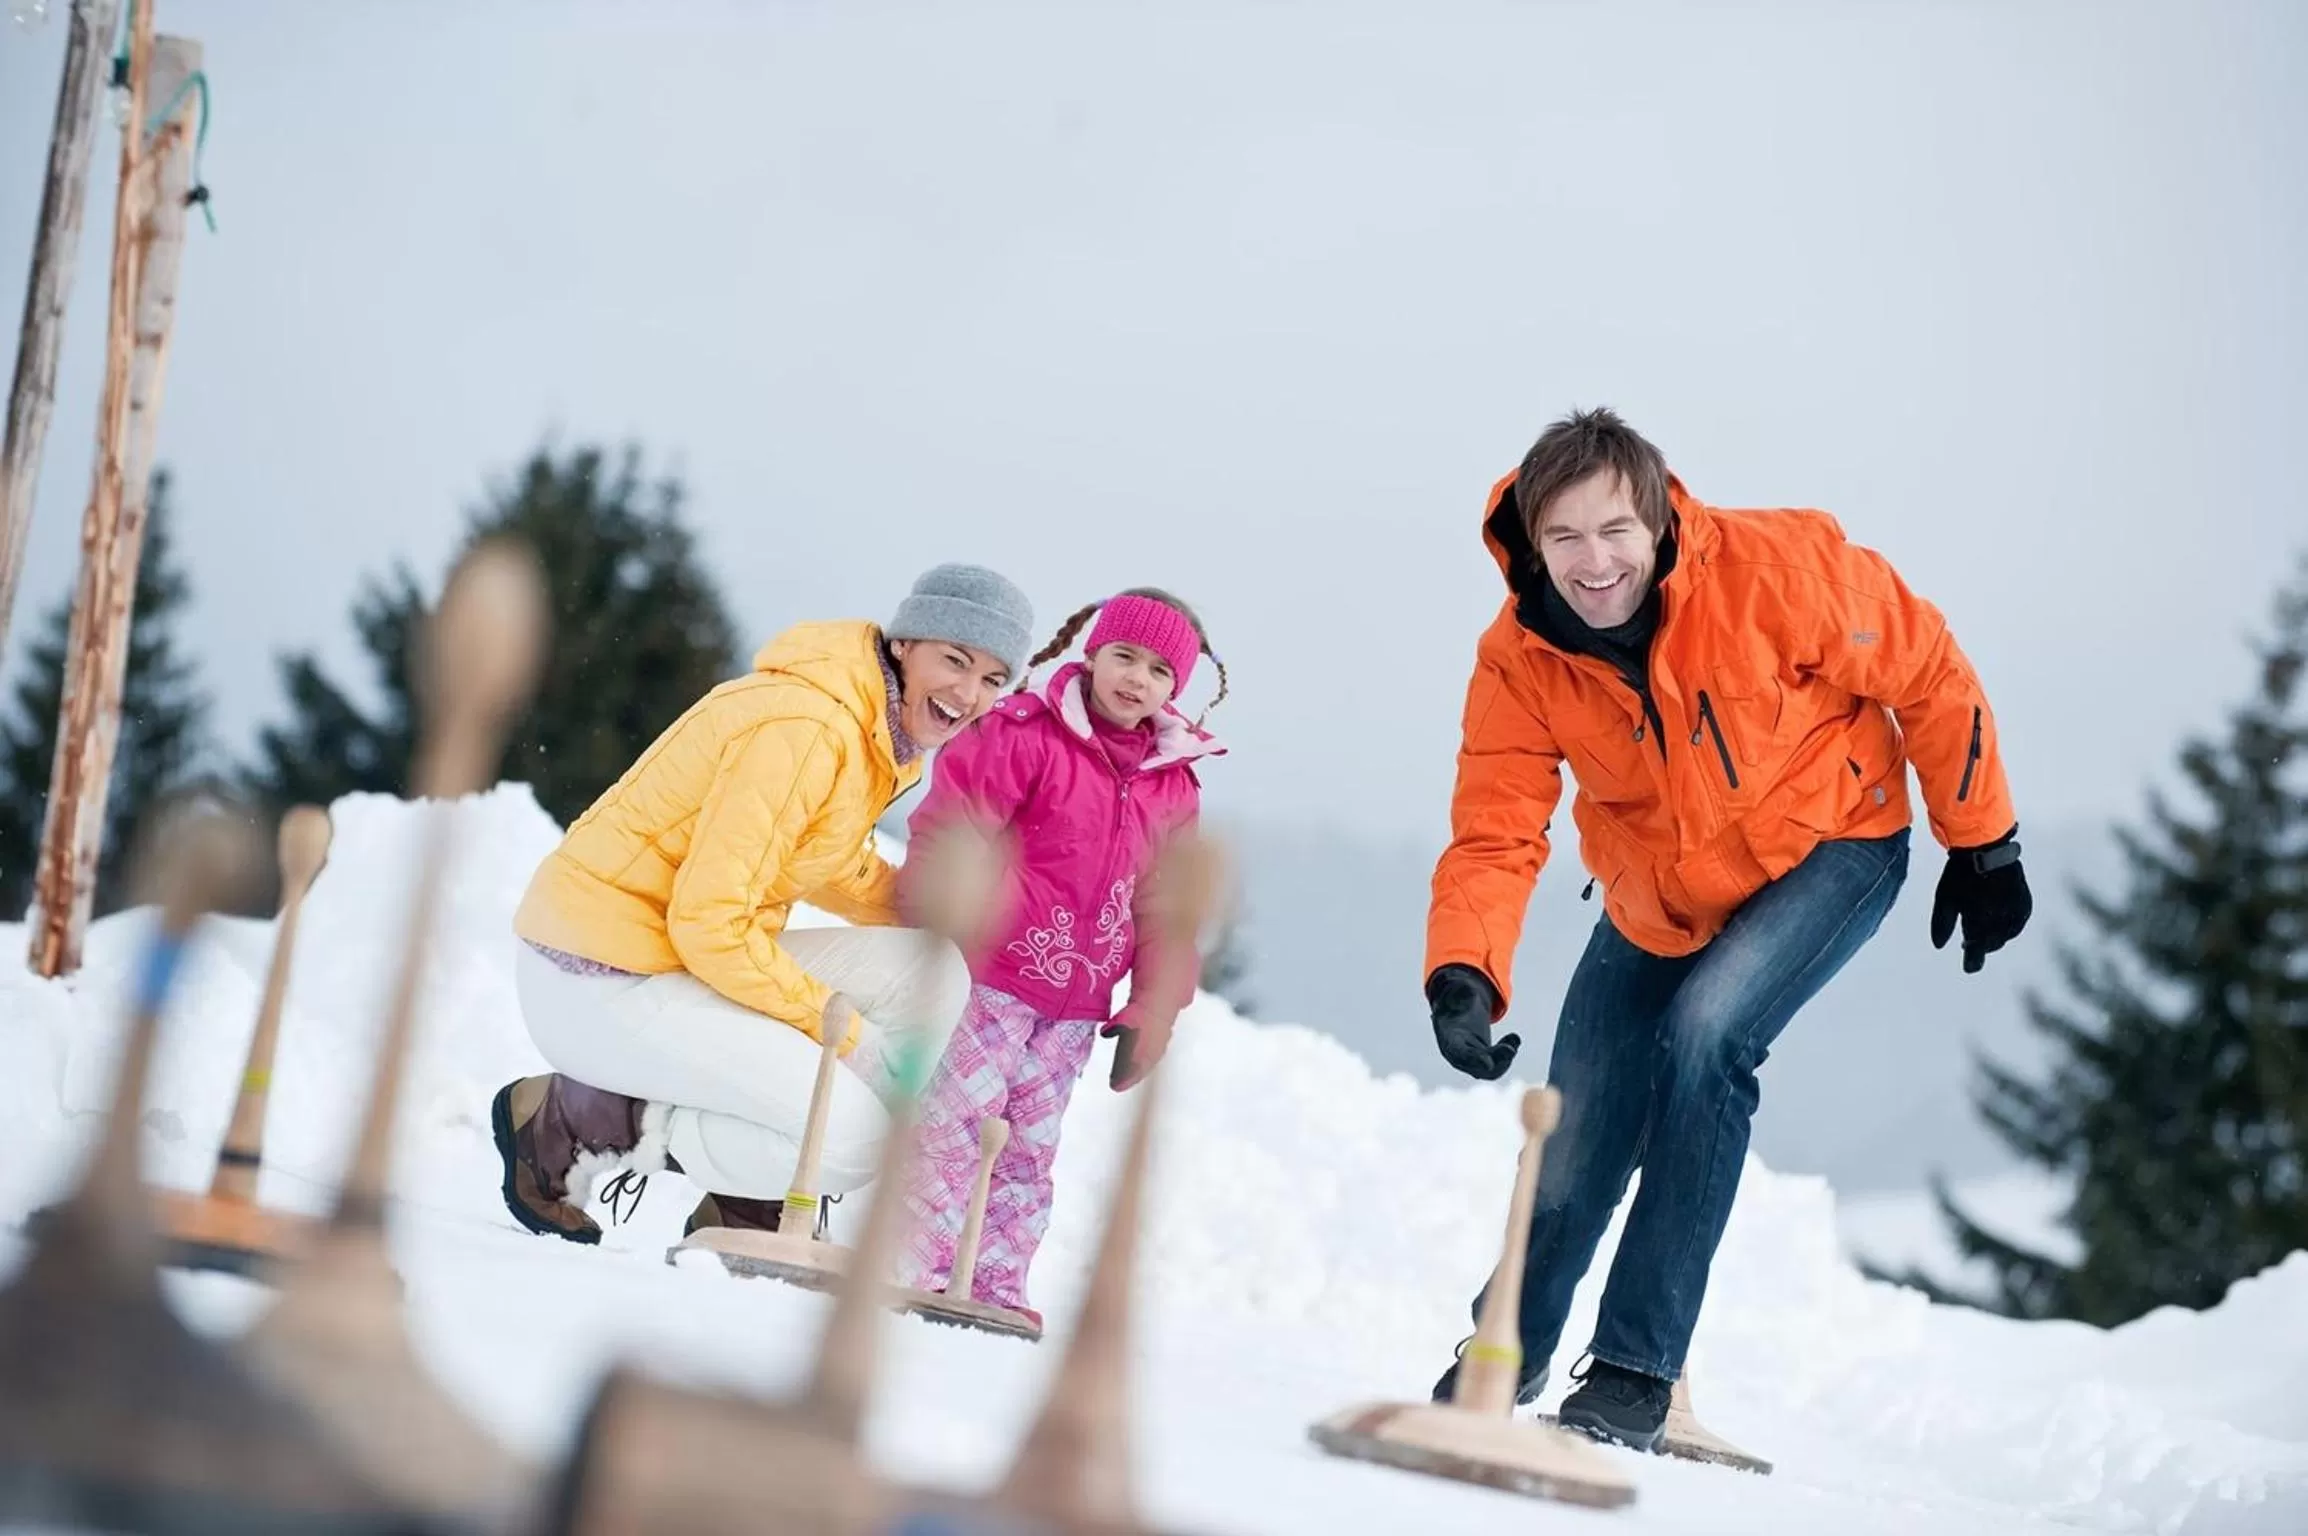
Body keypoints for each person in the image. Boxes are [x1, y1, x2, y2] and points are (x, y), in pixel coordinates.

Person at [1422, 408, 2031, 1448]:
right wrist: (1464, 971)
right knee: (1576, 1130)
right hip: (1662, 890)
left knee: (1708, 1038)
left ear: (1657, 517)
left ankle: (1631, 1371)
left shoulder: (1773, 573)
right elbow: (1495, 826)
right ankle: (1500, 1355)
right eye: (1562, 538)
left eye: (1614, 529)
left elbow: (1925, 668)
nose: (1592, 561)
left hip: (1832, 844)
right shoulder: (1518, 657)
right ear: (1530, 544)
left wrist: (1982, 840)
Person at [488, 563, 1035, 1245]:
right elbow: (711, 924)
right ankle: (572, 1119)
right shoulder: (809, 728)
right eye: (955, 660)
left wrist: (926, 908)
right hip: (598, 974)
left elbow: (816, 854)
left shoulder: (869, 727)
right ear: (906, 644)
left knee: (930, 968)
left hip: (668, 955)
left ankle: (749, 1196)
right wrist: (846, 1041)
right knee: (855, 1140)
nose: (969, 692)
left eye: (992, 679)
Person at [890, 589, 1228, 1324]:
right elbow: (955, 827)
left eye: (1160, 672)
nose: (1137, 680)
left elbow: (1167, 909)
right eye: (1124, 657)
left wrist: (1153, 1010)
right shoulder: (1026, 734)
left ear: (1179, 688)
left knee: (1027, 1150)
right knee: (952, 1126)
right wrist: (940, 919)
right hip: (989, 978)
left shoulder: (1171, 782)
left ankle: (995, 1284)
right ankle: (918, 1265)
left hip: (1076, 1008)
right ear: (1093, 654)